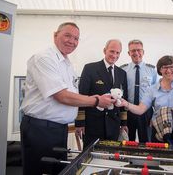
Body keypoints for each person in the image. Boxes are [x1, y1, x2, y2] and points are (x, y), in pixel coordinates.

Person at [20, 22, 115, 175]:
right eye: (68, 35)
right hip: (41, 130)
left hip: (59, 129)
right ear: (55, 35)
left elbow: (74, 96)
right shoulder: (44, 58)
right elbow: (62, 96)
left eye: (76, 38)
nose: (72, 41)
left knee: (58, 171)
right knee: (39, 171)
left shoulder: (67, 63)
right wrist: (96, 101)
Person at [117, 55, 173, 144]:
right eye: (165, 67)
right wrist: (126, 104)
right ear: (160, 69)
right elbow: (140, 109)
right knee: (159, 156)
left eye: (171, 67)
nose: (169, 70)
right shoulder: (152, 89)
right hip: (158, 132)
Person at [75, 39, 128, 149]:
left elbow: (123, 99)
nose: (114, 55)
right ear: (105, 50)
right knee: (91, 157)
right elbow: (81, 96)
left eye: (117, 53)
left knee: (111, 157)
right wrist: (80, 123)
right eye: (112, 51)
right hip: (93, 124)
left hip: (113, 124)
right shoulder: (90, 68)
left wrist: (123, 123)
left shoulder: (122, 73)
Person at [120, 39, 157, 142]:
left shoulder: (152, 70)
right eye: (133, 51)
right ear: (129, 53)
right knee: (128, 142)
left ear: (143, 52)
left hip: (146, 112)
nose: (136, 53)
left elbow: (156, 95)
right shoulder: (123, 70)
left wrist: (154, 115)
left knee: (146, 142)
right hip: (128, 111)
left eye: (139, 50)